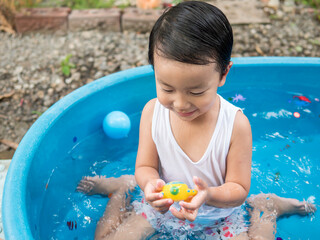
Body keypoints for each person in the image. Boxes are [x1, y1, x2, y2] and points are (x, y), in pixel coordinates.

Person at [76, 1, 316, 239]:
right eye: (167, 88)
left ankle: (266, 207)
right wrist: (150, 186)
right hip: (164, 209)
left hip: (218, 216)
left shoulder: (235, 126)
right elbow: (145, 167)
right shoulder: (153, 112)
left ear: (223, 74)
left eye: (196, 92)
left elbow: (239, 189)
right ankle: (122, 189)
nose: (180, 104)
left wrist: (208, 194)